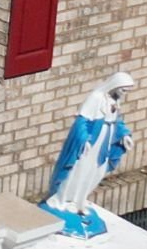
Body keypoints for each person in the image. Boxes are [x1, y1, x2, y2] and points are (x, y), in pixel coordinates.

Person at [41, 71, 134, 239]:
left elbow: (117, 121)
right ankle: (63, 200)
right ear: (116, 85)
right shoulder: (97, 98)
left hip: (104, 142)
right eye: (123, 90)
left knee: (95, 172)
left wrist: (125, 135)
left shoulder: (115, 100)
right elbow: (82, 121)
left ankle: (80, 201)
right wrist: (84, 139)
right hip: (91, 142)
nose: (124, 94)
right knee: (79, 170)